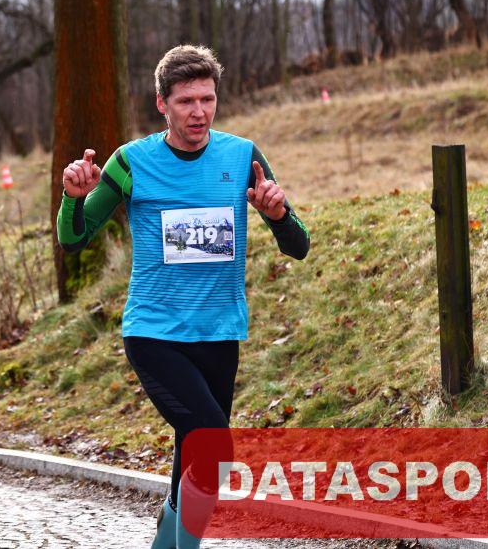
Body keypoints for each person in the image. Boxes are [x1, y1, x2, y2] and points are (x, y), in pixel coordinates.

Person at [55, 45, 310, 548]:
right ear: (162, 104)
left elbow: (298, 246)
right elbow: (74, 239)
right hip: (155, 334)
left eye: (207, 99)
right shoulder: (131, 162)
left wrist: (278, 214)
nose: (199, 112)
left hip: (220, 334)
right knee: (214, 449)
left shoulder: (242, 156)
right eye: (186, 101)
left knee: (194, 458)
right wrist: (72, 198)